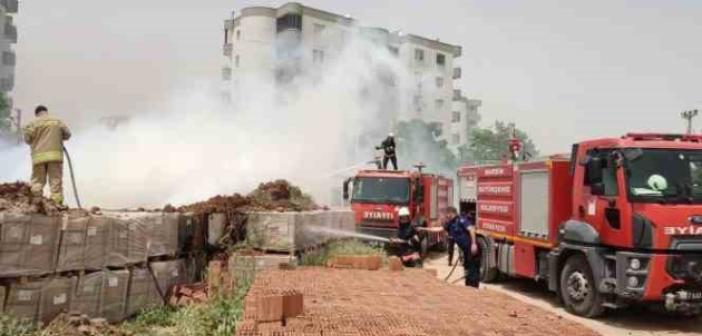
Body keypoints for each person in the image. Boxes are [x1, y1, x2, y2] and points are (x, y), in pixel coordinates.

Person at [23, 105, 71, 205]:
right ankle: (57, 205)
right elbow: (68, 134)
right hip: (55, 156)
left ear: (37, 114)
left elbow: (27, 139)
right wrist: (58, 136)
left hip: (38, 158)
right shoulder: (57, 121)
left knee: (37, 182)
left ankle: (36, 205)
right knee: (55, 183)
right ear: (46, 112)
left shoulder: (32, 123)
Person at [444, 206, 480, 288]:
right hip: (466, 251)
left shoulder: (461, 220)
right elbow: (440, 229)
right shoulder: (451, 223)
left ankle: (474, 289)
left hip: (471, 249)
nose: (446, 216)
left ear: (451, 213)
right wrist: (424, 229)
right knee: (467, 269)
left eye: (447, 214)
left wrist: (474, 244)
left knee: (473, 270)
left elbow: (471, 229)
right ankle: (468, 287)